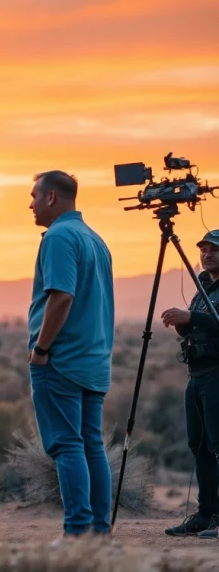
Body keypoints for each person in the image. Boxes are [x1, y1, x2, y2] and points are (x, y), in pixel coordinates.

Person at [26, 170, 114, 538]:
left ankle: (77, 533)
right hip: (95, 359)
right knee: (91, 444)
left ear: (51, 197)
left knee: (66, 445)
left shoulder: (60, 237)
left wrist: (41, 348)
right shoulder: (95, 238)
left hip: (61, 359)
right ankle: (98, 532)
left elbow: (61, 297)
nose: (30, 204)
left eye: (33, 196)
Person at [161, 229, 219, 538]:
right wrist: (181, 324)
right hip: (196, 375)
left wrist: (190, 317)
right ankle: (206, 514)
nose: (207, 254)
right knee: (199, 447)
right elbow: (195, 328)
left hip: (217, 374)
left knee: (218, 445)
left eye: (215, 249)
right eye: (204, 249)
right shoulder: (203, 286)